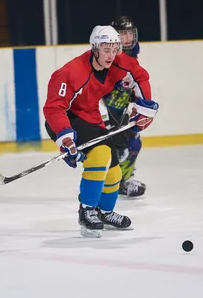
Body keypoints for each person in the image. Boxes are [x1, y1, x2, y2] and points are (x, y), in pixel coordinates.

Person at [43, 24, 159, 238]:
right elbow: (53, 108)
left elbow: (140, 76)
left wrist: (145, 107)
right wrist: (66, 139)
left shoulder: (119, 63)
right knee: (100, 154)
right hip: (64, 120)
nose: (111, 55)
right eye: (106, 50)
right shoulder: (70, 73)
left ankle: (104, 212)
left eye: (115, 49)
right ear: (95, 48)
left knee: (114, 170)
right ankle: (87, 211)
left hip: (90, 117)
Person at [101, 15, 146, 197]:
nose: (127, 38)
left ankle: (123, 181)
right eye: (122, 34)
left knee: (134, 143)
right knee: (109, 150)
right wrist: (104, 118)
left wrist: (138, 103)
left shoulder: (133, 57)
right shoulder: (106, 58)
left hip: (121, 113)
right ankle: (104, 183)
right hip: (104, 114)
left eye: (129, 34)